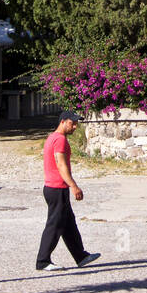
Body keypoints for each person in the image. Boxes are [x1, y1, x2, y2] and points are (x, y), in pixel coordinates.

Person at [35, 112, 101, 272]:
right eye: (72, 123)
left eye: (76, 123)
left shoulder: (53, 137)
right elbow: (61, 165)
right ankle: (43, 261)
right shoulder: (60, 140)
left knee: (68, 224)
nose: (75, 127)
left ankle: (81, 256)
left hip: (55, 188)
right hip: (57, 188)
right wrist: (74, 186)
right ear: (63, 122)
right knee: (55, 225)